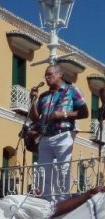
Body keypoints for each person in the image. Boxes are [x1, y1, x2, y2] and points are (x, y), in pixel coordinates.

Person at [30, 65, 88, 200]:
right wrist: (33, 101)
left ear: (60, 74)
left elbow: (84, 113)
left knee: (63, 170)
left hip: (63, 135)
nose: (47, 77)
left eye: (50, 74)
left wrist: (64, 114)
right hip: (45, 137)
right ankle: (45, 199)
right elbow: (35, 117)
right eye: (46, 75)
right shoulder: (44, 96)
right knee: (43, 171)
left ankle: (63, 199)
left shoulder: (72, 90)